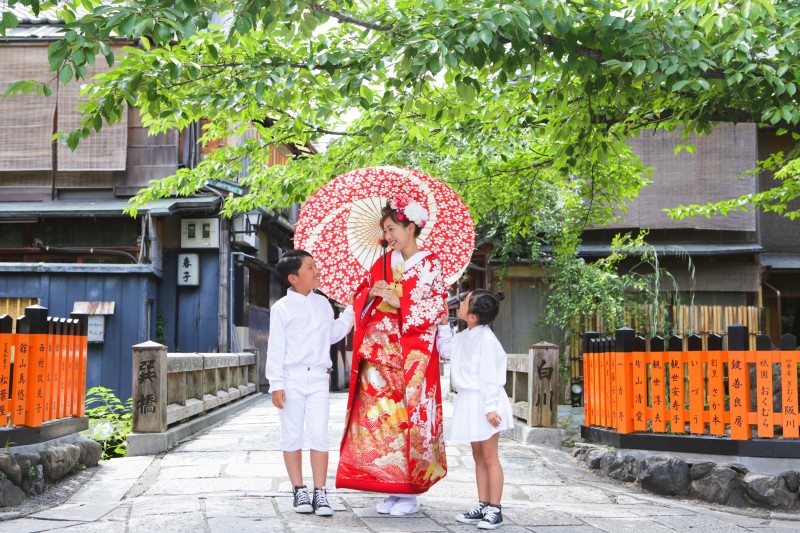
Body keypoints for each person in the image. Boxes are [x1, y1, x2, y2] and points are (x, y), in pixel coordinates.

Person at [336, 194, 448, 516]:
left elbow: (435, 309)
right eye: (385, 231)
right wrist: (371, 294)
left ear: (410, 227)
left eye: (391, 229)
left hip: (408, 358)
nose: (387, 236)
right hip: (377, 356)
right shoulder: (383, 263)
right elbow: (360, 295)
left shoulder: (430, 263)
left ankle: (409, 492)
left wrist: (401, 303)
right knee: (379, 422)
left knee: (405, 420)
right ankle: (389, 485)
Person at [266, 249, 354, 516]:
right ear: (293, 277)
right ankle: (299, 490)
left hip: (318, 377)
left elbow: (332, 334)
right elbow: (276, 348)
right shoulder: (281, 309)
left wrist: (350, 310)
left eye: (315, 265)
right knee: (292, 434)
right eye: (310, 267)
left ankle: (320, 492)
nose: (317, 271)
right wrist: (275, 384)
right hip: (291, 378)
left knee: (319, 434)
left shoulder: (322, 303)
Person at [436, 290, 513, 530]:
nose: (458, 303)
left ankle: (495, 509)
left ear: (472, 316)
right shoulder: (466, 335)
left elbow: (489, 376)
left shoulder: (487, 340)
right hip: (470, 400)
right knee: (478, 455)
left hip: (485, 401)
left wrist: (490, 408)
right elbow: (446, 351)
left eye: (464, 302)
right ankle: (483, 503)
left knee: (490, 457)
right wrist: (442, 326)